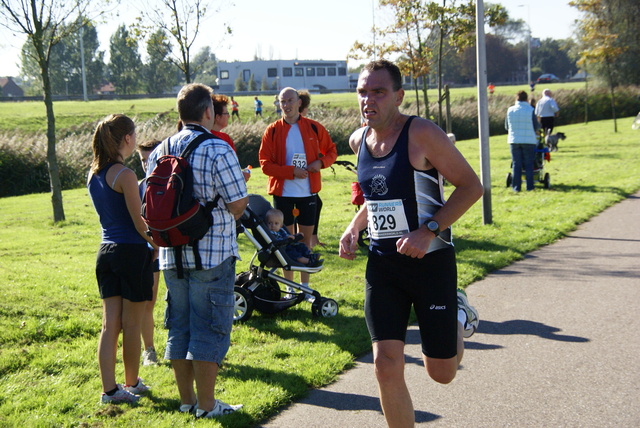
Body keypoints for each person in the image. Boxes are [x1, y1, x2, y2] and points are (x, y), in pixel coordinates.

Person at [338, 60, 483, 428]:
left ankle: (457, 312)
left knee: (443, 373)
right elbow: (374, 200)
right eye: (362, 92)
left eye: (379, 92)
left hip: (430, 263)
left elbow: (471, 187)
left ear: (399, 96)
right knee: (385, 364)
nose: (368, 100)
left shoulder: (421, 134)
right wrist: (354, 227)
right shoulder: (359, 141)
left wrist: (428, 230)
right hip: (384, 266)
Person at [146, 83, 248, 418]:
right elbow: (237, 204)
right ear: (208, 111)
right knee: (210, 327)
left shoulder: (158, 151)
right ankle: (207, 406)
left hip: (169, 253)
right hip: (212, 254)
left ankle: (187, 400)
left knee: (179, 325)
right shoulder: (218, 149)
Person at [87, 114, 157, 404]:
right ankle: (131, 382)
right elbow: (139, 222)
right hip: (131, 252)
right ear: (127, 139)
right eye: (135, 134)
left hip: (106, 253)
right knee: (131, 323)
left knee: (109, 325)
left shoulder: (93, 174)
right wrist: (159, 242)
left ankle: (110, 390)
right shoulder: (126, 175)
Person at [259, 87, 337, 288]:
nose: (286, 105)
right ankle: (289, 288)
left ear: (299, 102)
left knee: (305, 242)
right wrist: (291, 172)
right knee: (284, 244)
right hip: (282, 194)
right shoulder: (272, 130)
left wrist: (320, 163)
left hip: (308, 193)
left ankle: (306, 288)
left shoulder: (313, 127)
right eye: (282, 101)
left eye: (290, 100)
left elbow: (331, 151)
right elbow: (265, 164)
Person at [136, 138, 162, 366]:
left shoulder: (174, 182)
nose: (146, 164)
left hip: (174, 250)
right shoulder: (137, 187)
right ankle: (149, 350)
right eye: (143, 159)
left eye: (150, 158)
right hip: (150, 252)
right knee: (148, 301)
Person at [298, 90, 325, 248]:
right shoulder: (307, 125)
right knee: (312, 204)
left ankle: (311, 237)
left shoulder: (309, 125)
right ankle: (310, 238)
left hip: (309, 173)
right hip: (304, 173)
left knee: (316, 203)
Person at [210, 94, 251, 182]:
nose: (228, 116)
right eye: (226, 113)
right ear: (217, 117)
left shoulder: (225, 137)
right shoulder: (217, 139)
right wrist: (240, 176)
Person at [506, 90, 540, 192]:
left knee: (517, 164)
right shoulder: (530, 110)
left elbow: (507, 126)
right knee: (529, 164)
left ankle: (516, 187)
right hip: (528, 140)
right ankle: (530, 186)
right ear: (526, 98)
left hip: (514, 140)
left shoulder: (510, 110)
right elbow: (536, 126)